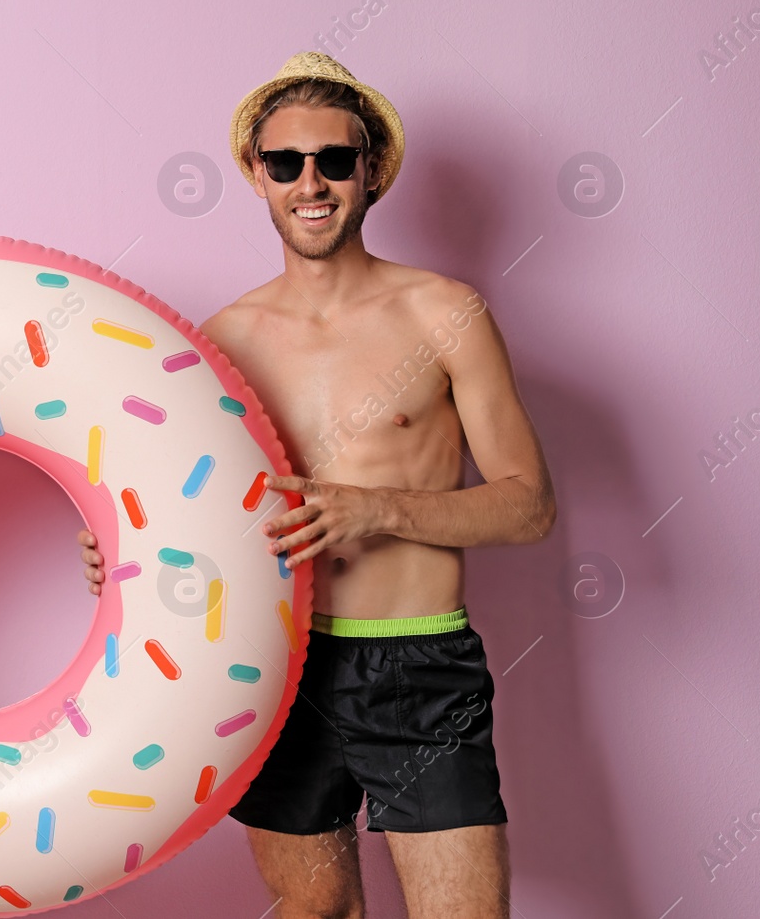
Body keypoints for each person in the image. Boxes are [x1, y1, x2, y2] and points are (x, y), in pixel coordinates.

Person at [76, 53, 555, 919]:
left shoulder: (444, 314)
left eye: (335, 160)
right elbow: (195, 509)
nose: (312, 182)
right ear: (258, 175)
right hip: (272, 661)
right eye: (286, 162)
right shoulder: (224, 340)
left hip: (418, 661)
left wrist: (380, 509)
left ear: (369, 172)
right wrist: (123, 547)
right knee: (317, 911)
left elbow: (529, 503)